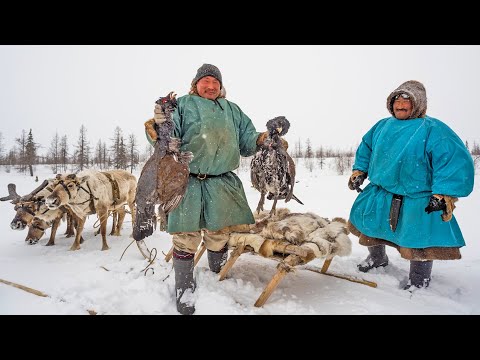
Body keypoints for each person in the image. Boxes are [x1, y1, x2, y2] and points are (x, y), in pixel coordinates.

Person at [144, 64, 282, 314]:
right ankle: (184, 288)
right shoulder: (183, 105)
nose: (210, 86)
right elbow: (165, 136)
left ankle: (217, 269)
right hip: (186, 179)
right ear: (195, 84)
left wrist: (267, 137)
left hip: (221, 180)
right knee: (186, 236)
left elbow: (248, 140)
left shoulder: (232, 110)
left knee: (220, 231)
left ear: (221, 86)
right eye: (205, 81)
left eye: (215, 82)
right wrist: (159, 124)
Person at [347, 80, 474, 291]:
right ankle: (378, 260)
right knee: (370, 226)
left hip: (417, 198)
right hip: (381, 192)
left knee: (419, 240)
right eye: (397, 100)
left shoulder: (433, 129)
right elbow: (366, 148)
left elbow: (452, 160)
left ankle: (418, 280)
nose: (400, 104)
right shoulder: (382, 126)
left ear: (418, 104)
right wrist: (360, 170)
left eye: (406, 100)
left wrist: (443, 194)